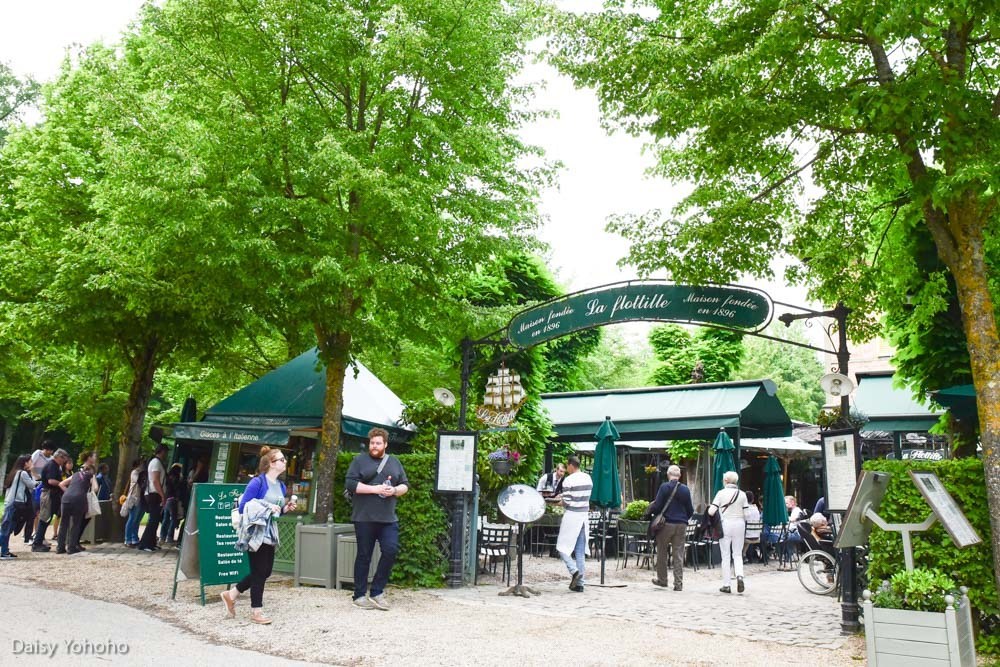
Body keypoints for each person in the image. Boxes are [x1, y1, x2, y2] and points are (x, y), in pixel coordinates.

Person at [221, 446, 296, 625]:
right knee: (260, 571)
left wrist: (284, 509)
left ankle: (231, 594)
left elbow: (276, 514)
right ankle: (257, 611)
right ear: (271, 463)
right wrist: (267, 507)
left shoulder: (281, 486)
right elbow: (243, 507)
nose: (285, 462)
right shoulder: (257, 482)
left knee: (265, 571)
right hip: (255, 531)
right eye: (281, 460)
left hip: (270, 532)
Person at [344, 427, 409, 611]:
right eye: (372, 443)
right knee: (364, 555)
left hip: (388, 518)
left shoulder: (394, 462)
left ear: (385, 445)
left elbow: (405, 484)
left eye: (378, 443)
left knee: (391, 550)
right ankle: (359, 595)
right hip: (363, 517)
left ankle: (377, 591)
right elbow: (350, 484)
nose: (374, 446)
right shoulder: (359, 460)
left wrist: (395, 490)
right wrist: (375, 489)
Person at [645, 464, 694, 591]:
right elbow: (690, 509)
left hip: (665, 524)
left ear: (668, 475)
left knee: (662, 552)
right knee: (678, 554)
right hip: (681, 524)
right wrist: (683, 518)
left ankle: (662, 580)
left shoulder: (664, 487)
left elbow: (658, 505)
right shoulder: (685, 489)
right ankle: (678, 583)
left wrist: (651, 512)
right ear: (680, 475)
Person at [708, 470, 749, 594]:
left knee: (725, 555)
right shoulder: (742, 494)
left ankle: (726, 584)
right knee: (737, 554)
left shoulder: (721, 493)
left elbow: (711, 512)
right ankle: (740, 576)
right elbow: (747, 514)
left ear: (725, 481)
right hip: (740, 525)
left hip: (725, 524)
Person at [556, 456, 592, 593]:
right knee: (580, 552)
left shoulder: (568, 480)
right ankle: (580, 584)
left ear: (571, 465)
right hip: (584, 517)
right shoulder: (588, 478)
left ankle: (574, 571)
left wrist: (552, 501)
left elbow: (567, 502)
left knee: (562, 547)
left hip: (572, 516)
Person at [57, 451, 97, 555]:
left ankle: (60, 547)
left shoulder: (75, 474)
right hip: (79, 499)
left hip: (66, 498)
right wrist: (93, 479)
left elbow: (61, 484)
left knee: (63, 523)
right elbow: (95, 489)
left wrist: (69, 492)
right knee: (75, 524)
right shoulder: (90, 476)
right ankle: (71, 547)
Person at [32, 449, 70, 552]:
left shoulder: (55, 466)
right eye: (64, 459)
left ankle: (39, 542)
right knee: (45, 518)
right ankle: (37, 543)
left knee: (47, 519)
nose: (64, 462)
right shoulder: (52, 465)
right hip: (48, 494)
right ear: (59, 457)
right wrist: (63, 484)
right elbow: (51, 481)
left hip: (53, 495)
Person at [1, 456, 37, 559]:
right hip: (16, 503)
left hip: (9, 502)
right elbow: (32, 485)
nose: (32, 464)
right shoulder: (23, 473)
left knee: (6, 528)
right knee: (7, 529)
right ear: (25, 463)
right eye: (30, 462)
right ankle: (4, 552)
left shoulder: (14, 472)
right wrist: (34, 474)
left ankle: (5, 551)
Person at [138, 444, 169, 552]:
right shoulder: (156, 463)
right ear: (161, 451)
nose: (166, 454)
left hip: (155, 494)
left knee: (155, 520)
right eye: (165, 452)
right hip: (154, 494)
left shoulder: (157, 462)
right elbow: (155, 481)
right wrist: (162, 495)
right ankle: (145, 543)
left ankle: (151, 543)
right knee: (153, 520)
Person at [122, 458, 145, 548]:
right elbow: (138, 482)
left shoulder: (140, 473)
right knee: (132, 519)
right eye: (142, 463)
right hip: (134, 498)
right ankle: (127, 539)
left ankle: (134, 538)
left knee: (136, 520)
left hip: (139, 498)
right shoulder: (135, 472)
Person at [159, 464, 183, 545]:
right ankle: (169, 537)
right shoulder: (176, 478)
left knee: (165, 519)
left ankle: (162, 537)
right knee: (173, 519)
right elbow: (177, 489)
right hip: (173, 499)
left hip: (167, 499)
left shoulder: (168, 478)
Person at [742, 491, 763, 563]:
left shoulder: (744, 509)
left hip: (747, 535)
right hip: (756, 536)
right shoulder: (756, 509)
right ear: (753, 500)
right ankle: (743, 555)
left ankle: (741, 555)